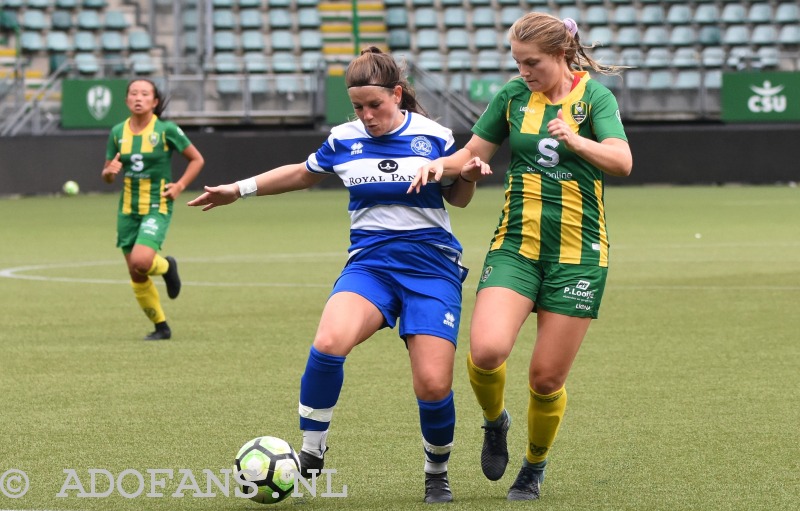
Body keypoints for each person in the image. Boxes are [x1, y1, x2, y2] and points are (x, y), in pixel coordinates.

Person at [188, 47, 478, 504]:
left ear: (397, 95)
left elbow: (459, 198)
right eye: (358, 107)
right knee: (328, 342)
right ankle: (311, 452)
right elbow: (302, 174)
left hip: (432, 267)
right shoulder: (344, 139)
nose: (366, 116)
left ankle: (436, 469)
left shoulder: (435, 136)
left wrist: (468, 174)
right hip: (371, 265)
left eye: (375, 106)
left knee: (433, 383)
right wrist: (237, 190)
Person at [410, 13, 633, 501]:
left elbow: (622, 160)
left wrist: (576, 139)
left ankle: (533, 466)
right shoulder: (512, 97)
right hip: (516, 246)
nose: (523, 70)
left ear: (560, 54)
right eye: (517, 61)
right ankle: (495, 422)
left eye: (531, 62)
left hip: (578, 255)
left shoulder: (594, 97)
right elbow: (471, 150)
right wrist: (440, 165)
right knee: (486, 352)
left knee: (546, 378)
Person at [101, 78, 205, 340]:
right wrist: (108, 173)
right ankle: (161, 326)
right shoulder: (117, 132)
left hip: (156, 205)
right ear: (126, 100)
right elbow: (108, 174)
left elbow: (196, 159)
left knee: (141, 261)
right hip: (127, 209)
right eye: (133, 93)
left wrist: (180, 185)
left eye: (145, 94)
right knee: (136, 274)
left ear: (154, 102)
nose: (138, 97)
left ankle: (168, 268)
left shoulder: (166, 129)